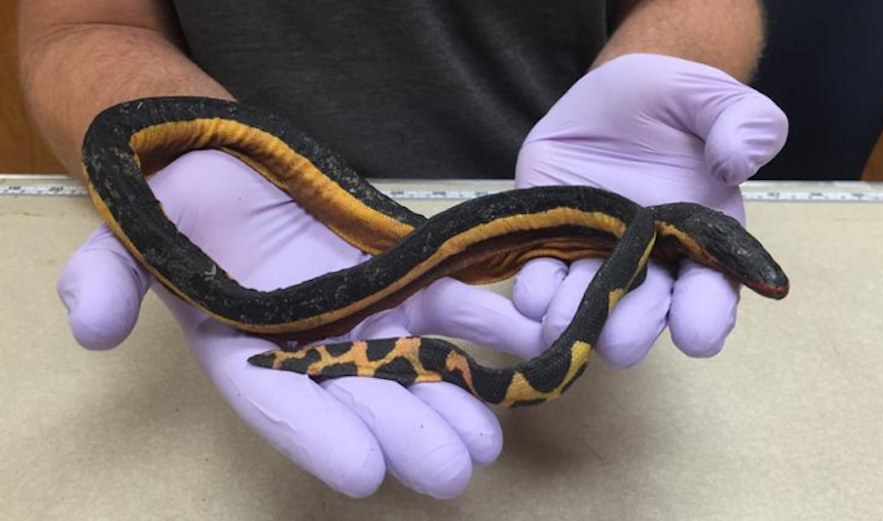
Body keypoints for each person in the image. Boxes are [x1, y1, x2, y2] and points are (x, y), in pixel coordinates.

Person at [18, 0, 788, 499]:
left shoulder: (638, 221)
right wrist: (181, 172)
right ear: (698, 243)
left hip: (553, 156)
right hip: (273, 180)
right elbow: (82, 24)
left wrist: (662, 71)